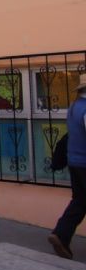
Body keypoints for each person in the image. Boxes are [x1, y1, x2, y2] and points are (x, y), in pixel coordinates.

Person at [48, 73, 86, 259]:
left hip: (75, 161)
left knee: (80, 200)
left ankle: (61, 235)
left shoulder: (74, 107)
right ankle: (61, 235)